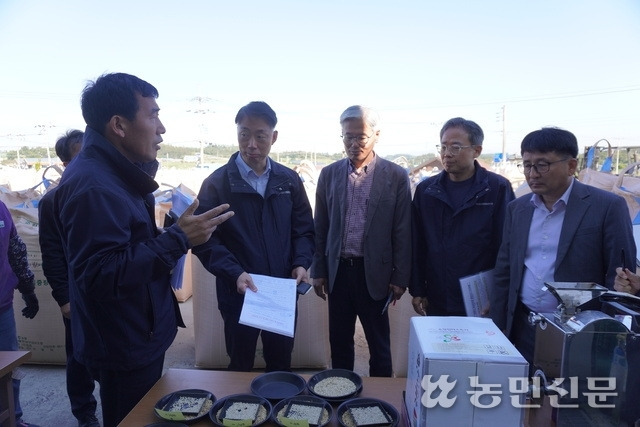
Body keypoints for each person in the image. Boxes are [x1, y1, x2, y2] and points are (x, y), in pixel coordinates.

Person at [51, 72, 234, 427]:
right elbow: (101, 274)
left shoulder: (116, 173)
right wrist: (178, 239)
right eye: (152, 115)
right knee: (130, 419)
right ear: (118, 125)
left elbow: (128, 245)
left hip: (136, 332)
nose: (161, 128)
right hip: (123, 343)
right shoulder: (94, 186)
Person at [489, 127, 636, 365]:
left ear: (571, 166)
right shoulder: (518, 209)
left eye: (542, 165)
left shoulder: (607, 207)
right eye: (527, 165)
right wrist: (498, 324)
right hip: (525, 324)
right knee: (529, 394)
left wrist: (608, 334)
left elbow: (620, 277)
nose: (532, 173)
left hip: (581, 330)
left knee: (571, 397)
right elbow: (505, 269)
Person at [192, 101, 315, 372]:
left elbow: (304, 229)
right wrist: (234, 272)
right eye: (244, 134)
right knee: (240, 364)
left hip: (281, 291)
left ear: (273, 137)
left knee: (281, 363)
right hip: (239, 291)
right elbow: (205, 241)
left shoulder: (289, 180)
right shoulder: (217, 183)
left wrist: (301, 262)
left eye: (260, 136)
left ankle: (277, 410)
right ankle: (241, 413)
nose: (251, 144)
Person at [311, 105, 411, 377]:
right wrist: (318, 270)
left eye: (361, 137)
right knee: (340, 341)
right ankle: (340, 393)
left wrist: (400, 277)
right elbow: (320, 226)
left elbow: (402, 230)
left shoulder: (395, 176)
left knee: (379, 344)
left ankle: (380, 400)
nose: (354, 144)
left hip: (375, 273)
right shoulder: (329, 175)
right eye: (347, 137)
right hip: (338, 272)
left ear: (376, 136)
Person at [409, 117, 515, 316]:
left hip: (481, 295)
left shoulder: (496, 188)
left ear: (477, 151)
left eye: (455, 147)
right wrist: (418, 289)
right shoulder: (427, 190)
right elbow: (417, 242)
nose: (447, 154)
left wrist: (499, 294)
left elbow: (506, 245)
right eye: (443, 147)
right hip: (437, 292)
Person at [39, 130, 101, 427]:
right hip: (76, 297)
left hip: (107, 293)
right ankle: (84, 411)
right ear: (66, 164)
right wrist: (64, 298)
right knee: (78, 358)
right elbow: (51, 255)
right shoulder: (52, 202)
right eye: (81, 155)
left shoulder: (105, 192)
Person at [0, 200, 40, 427]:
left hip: (2, 308)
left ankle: (12, 420)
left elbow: (14, 249)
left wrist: (28, 289)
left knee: (9, 369)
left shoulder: (1, 208)